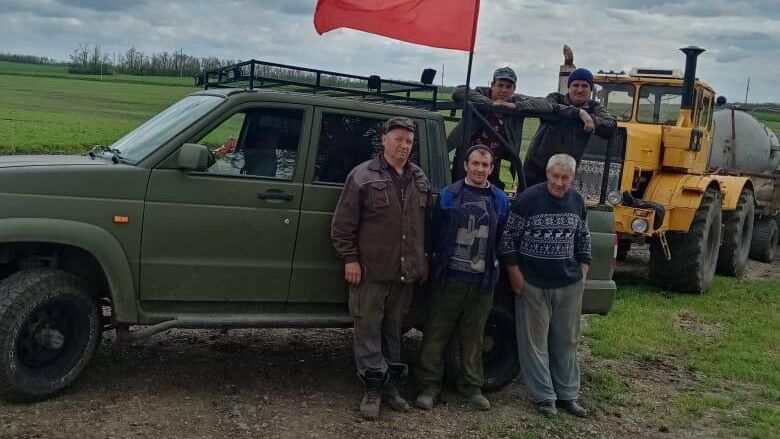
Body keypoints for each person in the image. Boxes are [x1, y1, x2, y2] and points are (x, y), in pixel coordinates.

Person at [330, 116, 431, 421]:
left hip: (405, 273)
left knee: (394, 332)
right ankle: (372, 389)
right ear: (384, 140)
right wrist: (350, 259)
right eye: (398, 139)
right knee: (368, 330)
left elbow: (425, 226)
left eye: (409, 141)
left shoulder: (419, 178)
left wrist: (422, 260)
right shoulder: (362, 176)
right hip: (371, 272)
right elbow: (342, 226)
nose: (403, 146)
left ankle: (392, 388)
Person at [413, 144, 509, 412]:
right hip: (449, 279)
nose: (480, 169)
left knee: (474, 337)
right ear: (465, 165)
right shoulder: (448, 195)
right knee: (435, 336)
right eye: (475, 163)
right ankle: (428, 387)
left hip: (481, 283)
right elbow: (435, 233)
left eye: (485, 165)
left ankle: (472, 388)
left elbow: (499, 238)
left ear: (491, 168)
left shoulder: (500, 200)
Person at [499, 153, 592, 418]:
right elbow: (508, 240)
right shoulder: (528, 199)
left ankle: (568, 395)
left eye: (565, 178)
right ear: (547, 174)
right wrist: (515, 274)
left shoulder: (577, 201)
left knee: (566, 341)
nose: (560, 183)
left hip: (568, 283)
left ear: (572, 178)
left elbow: (583, 237)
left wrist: (583, 269)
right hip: (534, 283)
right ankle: (544, 397)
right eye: (555, 176)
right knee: (534, 343)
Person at [446, 67, 555, 190]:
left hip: (492, 164)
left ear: (514, 89)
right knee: (458, 191)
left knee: (492, 196)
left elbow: (546, 105)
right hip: (467, 161)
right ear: (492, 85)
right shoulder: (481, 93)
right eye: (500, 85)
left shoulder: (516, 101)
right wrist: (489, 103)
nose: (503, 90)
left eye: (508, 87)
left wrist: (515, 106)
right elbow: (458, 92)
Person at [523, 68, 617, 187]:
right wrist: (579, 113)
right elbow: (546, 108)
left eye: (584, 86)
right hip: (535, 169)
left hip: (564, 175)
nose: (579, 90)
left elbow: (611, 126)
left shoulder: (595, 108)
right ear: (569, 87)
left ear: (591, 89)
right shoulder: (555, 98)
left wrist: (591, 119)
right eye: (575, 85)